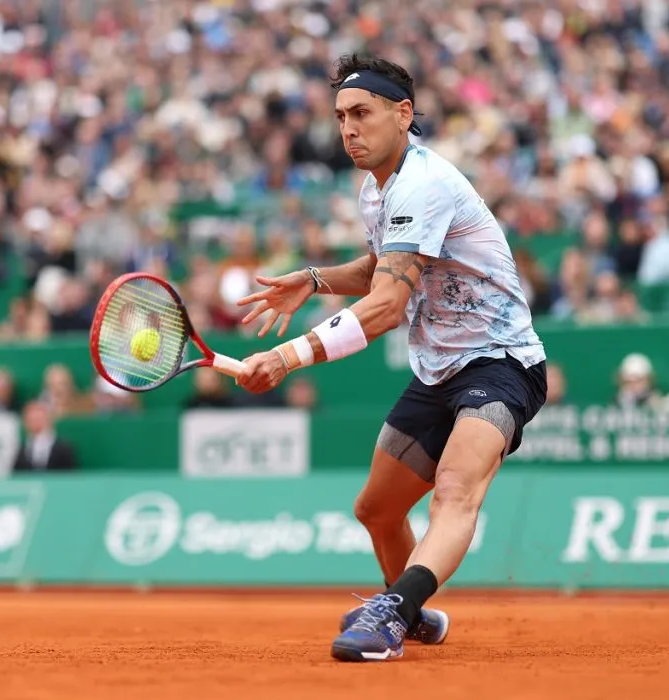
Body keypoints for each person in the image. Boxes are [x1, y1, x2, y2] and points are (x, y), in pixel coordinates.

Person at [234, 54, 547, 663]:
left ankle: (391, 612)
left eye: (362, 113)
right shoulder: (377, 191)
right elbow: (385, 265)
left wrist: (288, 356)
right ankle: (412, 611)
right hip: (437, 369)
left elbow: (384, 307)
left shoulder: (425, 183)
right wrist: (314, 278)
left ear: (403, 115)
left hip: (501, 363)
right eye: (340, 117)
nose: (348, 129)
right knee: (376, 509)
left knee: (454, 491)